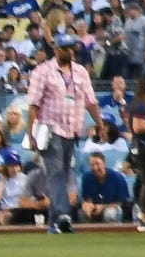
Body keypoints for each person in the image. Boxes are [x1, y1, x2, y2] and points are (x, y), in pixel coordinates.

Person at [19, 40, 97, 234]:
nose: (70, 51)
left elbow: (91, 101)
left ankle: (54, 223)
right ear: (56, 50)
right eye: (65, 48)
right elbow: (33, 104)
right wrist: (30, 133)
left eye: (72, 48)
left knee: (62, 172)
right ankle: (63, 215)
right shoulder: (42, 71)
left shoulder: (80, 72)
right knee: (55, 172)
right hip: (49, 129)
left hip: (72, 130)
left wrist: (100, 123)